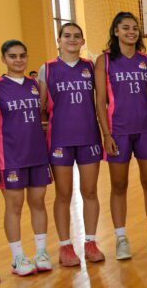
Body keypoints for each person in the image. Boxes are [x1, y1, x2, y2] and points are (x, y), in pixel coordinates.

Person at [94, 11, 147, 259]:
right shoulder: (104, 61)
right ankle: (121, 238)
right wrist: (106, 134)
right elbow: (100, 101)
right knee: (119, 185)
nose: (131, 32)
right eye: (125, 28)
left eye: (135, 28)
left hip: (146, 129)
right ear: (116, 31)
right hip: (119, 131)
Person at [40, 23, 104, 267]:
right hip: (60, 140)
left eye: (77, 36)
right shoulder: (47, 69)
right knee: (63, 194)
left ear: (83, 40)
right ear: (59, 40)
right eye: (67, 36)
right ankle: (65, 246)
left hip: (88, 137)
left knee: (90, 191)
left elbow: (101, 100)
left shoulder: (91, 66)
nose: (72, 40)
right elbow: (41, 109)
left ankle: (90, 242)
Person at [0, 40, 51, 277]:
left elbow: (42, 117)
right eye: (13, 56)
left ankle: (41, 252)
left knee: (38, 203)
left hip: (37, 153)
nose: (18, 60)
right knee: (14, 207)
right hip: (10, 156)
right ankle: (17, 257)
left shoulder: (37, 85)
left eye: (22, 56)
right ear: (4, 59)